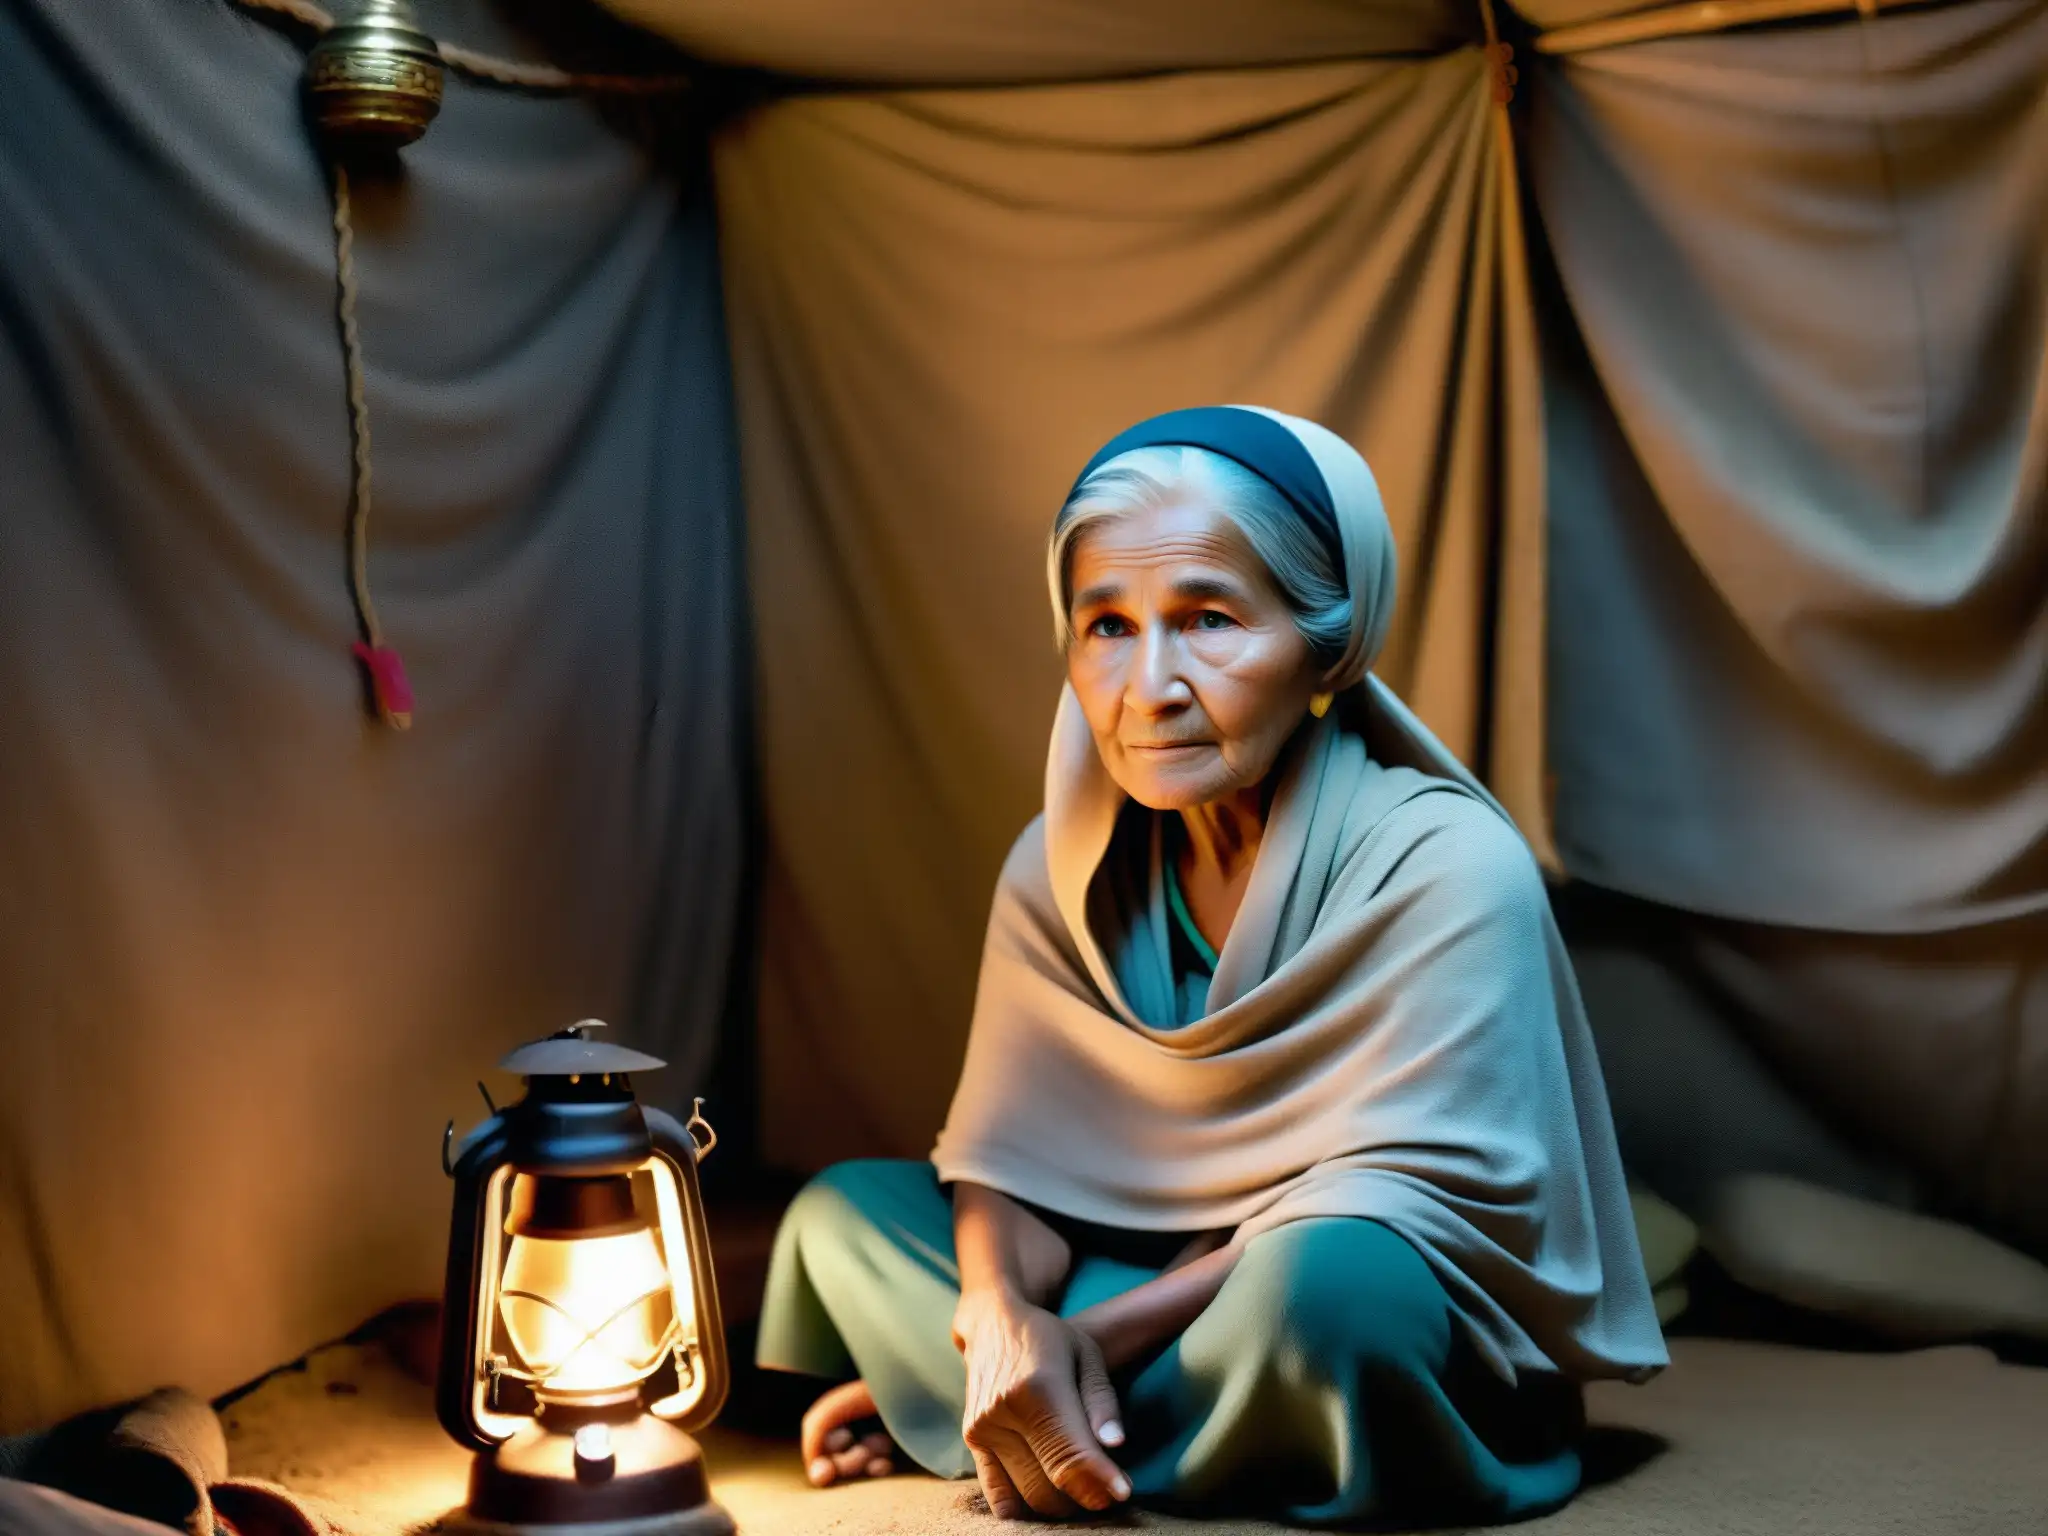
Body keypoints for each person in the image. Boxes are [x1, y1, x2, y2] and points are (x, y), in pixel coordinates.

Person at [755, 406, 1668, 1525]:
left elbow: (1414, 1198)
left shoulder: (1448, 862)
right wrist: (997, 1329)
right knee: (843, 1215)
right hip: (1145, 1278)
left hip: (1322, 1287)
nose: (1148, 686)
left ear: (1327, 646)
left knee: (1327, 1291)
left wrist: (1081, 1340)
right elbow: (1011, 1159)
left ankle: (1026, 1424)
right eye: (1105, 627)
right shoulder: (1055, 868)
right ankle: (1064, 1410)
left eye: (1207, 620)